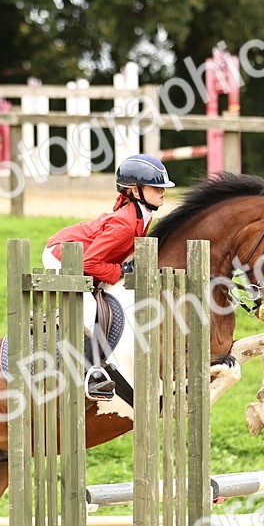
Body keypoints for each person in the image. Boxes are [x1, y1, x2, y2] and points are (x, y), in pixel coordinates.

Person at [43, 154, 174, 401]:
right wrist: (120, 272)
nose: (162, 191)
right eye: (155, 186)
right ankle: (92, 372)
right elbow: (89, 262)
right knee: (89, 307)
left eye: (162, 186)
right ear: (135, 190)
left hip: (82, 256)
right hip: (61, 255)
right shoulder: (125, 223)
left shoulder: (142, 215)